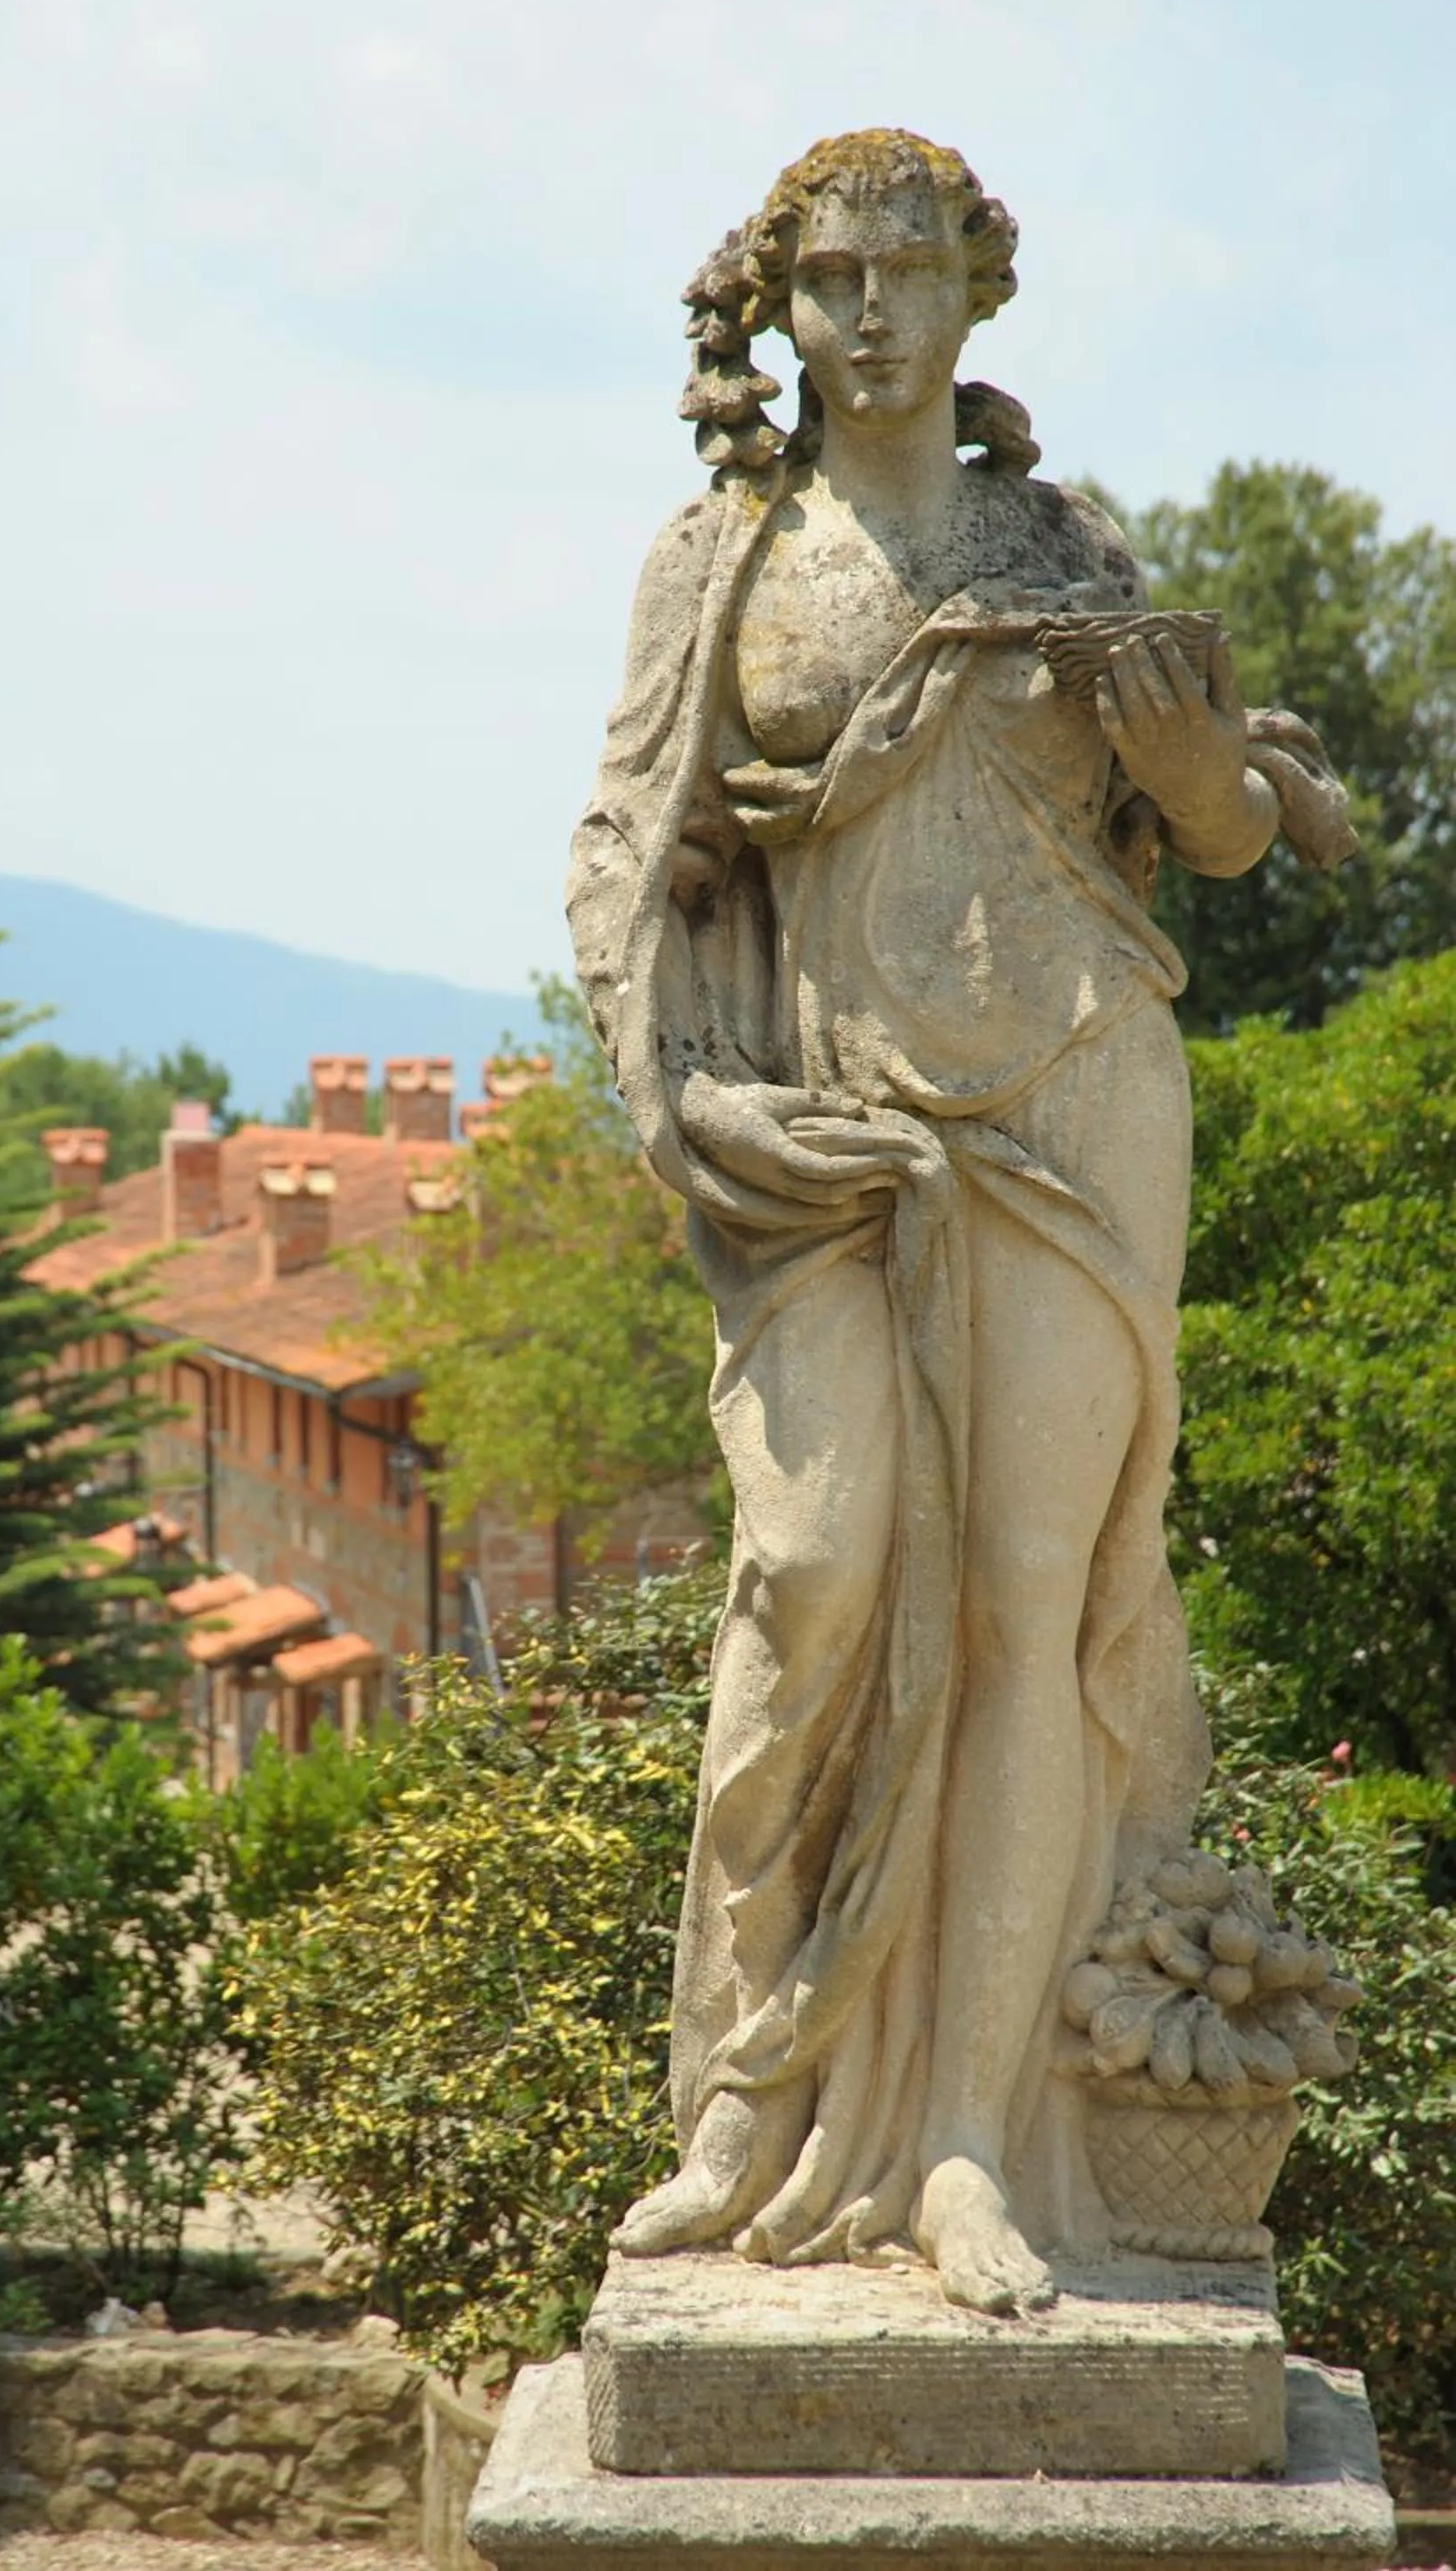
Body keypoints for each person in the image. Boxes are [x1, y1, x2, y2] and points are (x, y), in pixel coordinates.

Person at [566, 128, 1352, 2314]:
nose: (872, 314)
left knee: (1031, 1620)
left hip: (1083, 1101)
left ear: (979, 296)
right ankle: (751, 2085)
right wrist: (693, 1104)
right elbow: (628, 856)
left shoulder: (1063, 547)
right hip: (831, 1138)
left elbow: (1210, 837)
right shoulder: (719, 559)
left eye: (911, 274)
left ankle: (968, 2144)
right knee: (810, 1579)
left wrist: (1201, 771)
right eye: (830, 278)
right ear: (780, 305)